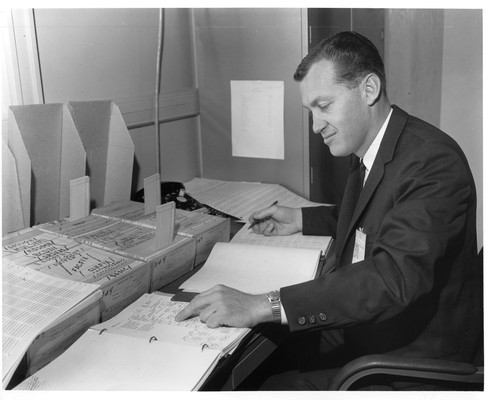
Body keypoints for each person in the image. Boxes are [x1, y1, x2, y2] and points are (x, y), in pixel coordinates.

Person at [176, 31, 480, 390]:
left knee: (255, 383)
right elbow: (378, 215)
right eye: (310, 111)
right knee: (261, 363)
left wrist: (263, 305)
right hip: (369, 334)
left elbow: (392, 278)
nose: (315, 125)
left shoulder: (432, 161)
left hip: (404, 360)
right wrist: (300, 219)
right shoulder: (377, 146)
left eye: (324, 105)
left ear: (369, 90)